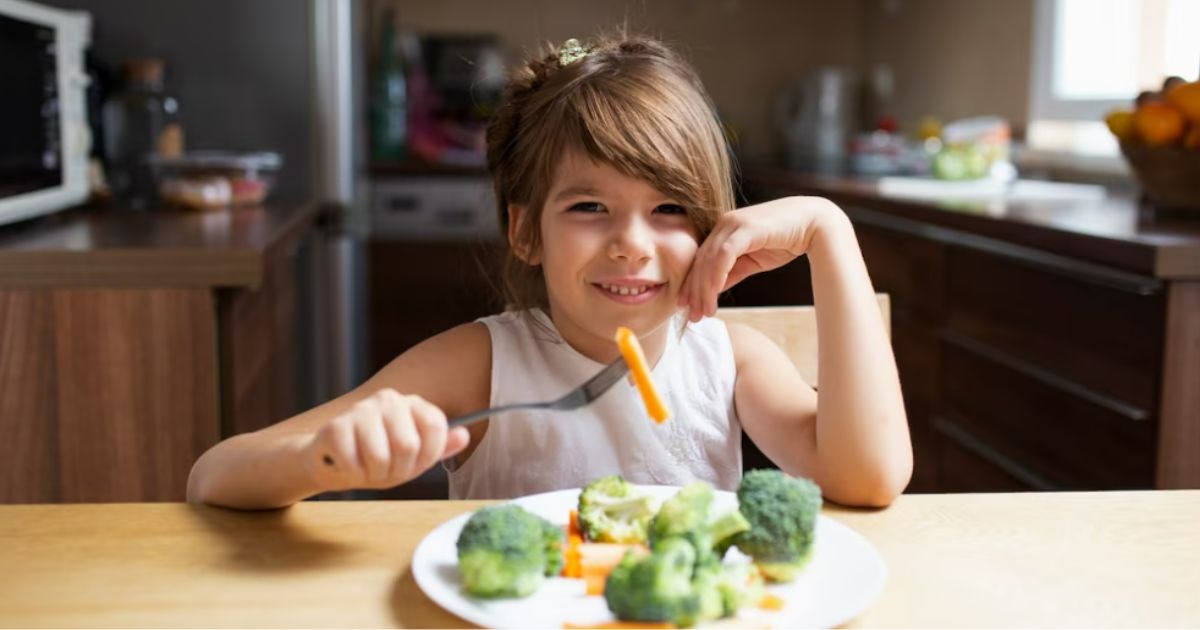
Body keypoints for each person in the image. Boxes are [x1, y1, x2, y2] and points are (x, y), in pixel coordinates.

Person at [187, 33, 911, 509]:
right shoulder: (482, 364)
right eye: (591, 206)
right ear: (526, 231)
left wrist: (829, 233)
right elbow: (214, 476)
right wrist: (323, 459)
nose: (632, 244)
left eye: (667, 210)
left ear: (711, 230)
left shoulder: (731, 360)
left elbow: (868, 479)